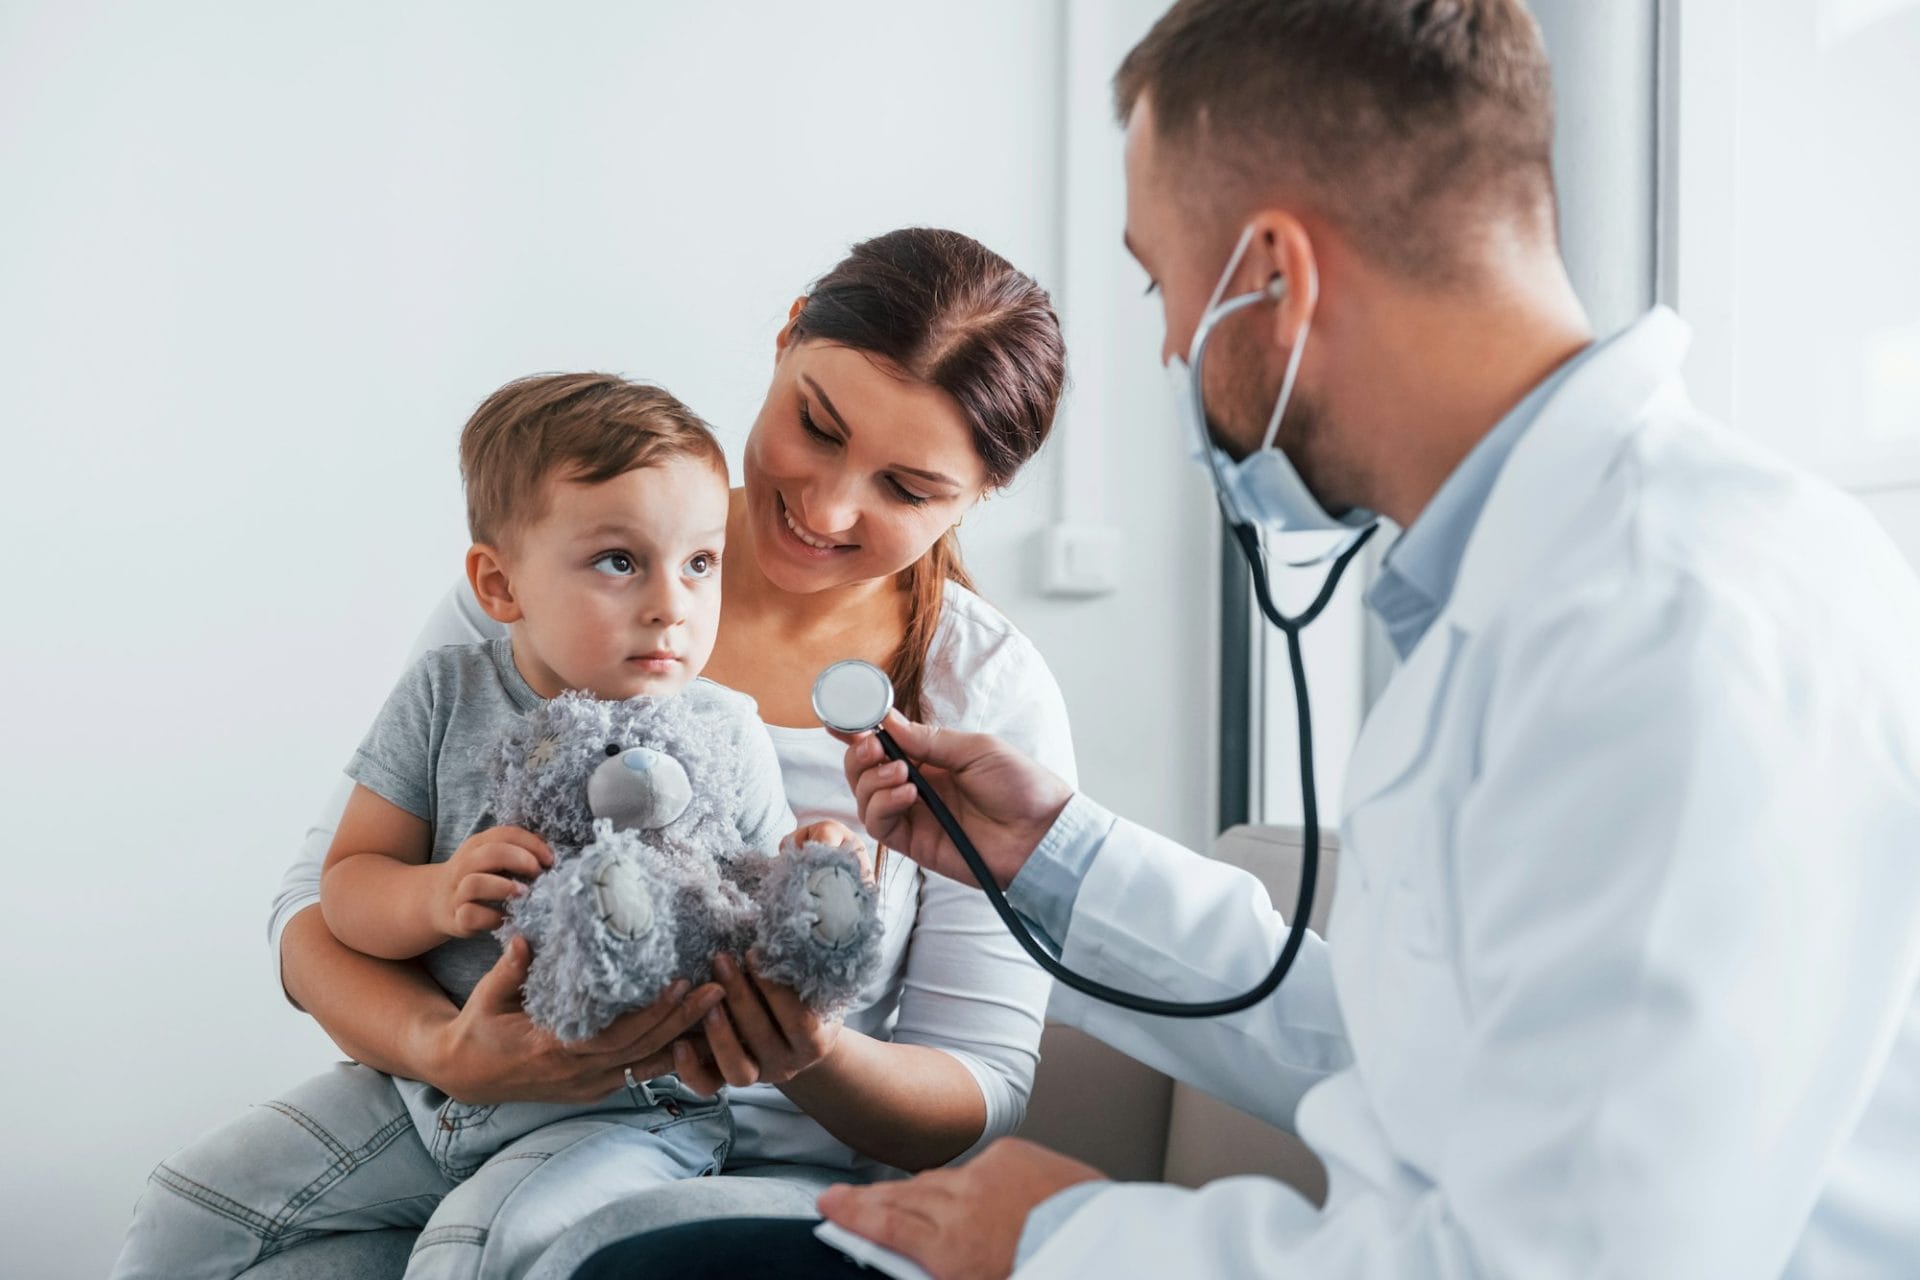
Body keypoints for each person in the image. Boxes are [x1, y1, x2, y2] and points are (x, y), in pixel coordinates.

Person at [572, 1, 1920, 1276]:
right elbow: (1408, 1058)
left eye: (1163, 281)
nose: (1167, 344)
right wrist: (1052, 857)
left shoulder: (1667, 626)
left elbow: (1558, 1266)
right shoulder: (1548, 592)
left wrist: (1066, 1241)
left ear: (1270, 274)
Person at [240, 227, 1077, 1279]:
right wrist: (446, 1051)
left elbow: (981, 1091)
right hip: (461, 1126)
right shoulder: (568, 560)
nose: (825, 507)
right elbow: (310, 916)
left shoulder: (983, 691)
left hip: (753, 1193)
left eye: (907, 489)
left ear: (980, 496)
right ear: (783, 341)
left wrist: (809, 1052)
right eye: (817, 426)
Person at [113, 372, 873, 1278]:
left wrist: (813, 870)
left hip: (624, 1111)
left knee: (473, 1253)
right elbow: (345, 887)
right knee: (184, 1210)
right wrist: (434, 896)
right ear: (500, 582)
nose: (673, 601)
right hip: (416, 1091)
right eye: (620, 561)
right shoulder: (446, 692)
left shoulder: (725, 729)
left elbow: (751, 914)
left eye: (700, 563)